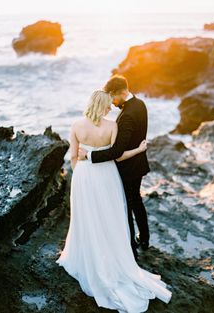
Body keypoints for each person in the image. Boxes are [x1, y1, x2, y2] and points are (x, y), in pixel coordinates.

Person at [56, 89, 172, 313]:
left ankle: (88, 257)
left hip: (84, 176)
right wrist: (139, 149)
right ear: (104, 106)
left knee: (87, 217)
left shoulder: (76, 125)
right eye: (108, 105)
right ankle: (114, 257)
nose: (111, 108)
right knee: (110, 217)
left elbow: (73, 156)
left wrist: (79, 175)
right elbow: (117, 155)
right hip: (107, 176)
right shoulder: (111, 126)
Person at [78, 75, 150, 260]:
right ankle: (144, 239)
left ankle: (131, 248)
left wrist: (89, 155)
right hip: (139, 164)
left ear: (120, 92)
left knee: (126, 206)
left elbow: (117, 152)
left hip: (126, 168)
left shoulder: (126, 117)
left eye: (112, 97)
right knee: (136, 200)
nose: (112, 102)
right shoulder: (140, 104)